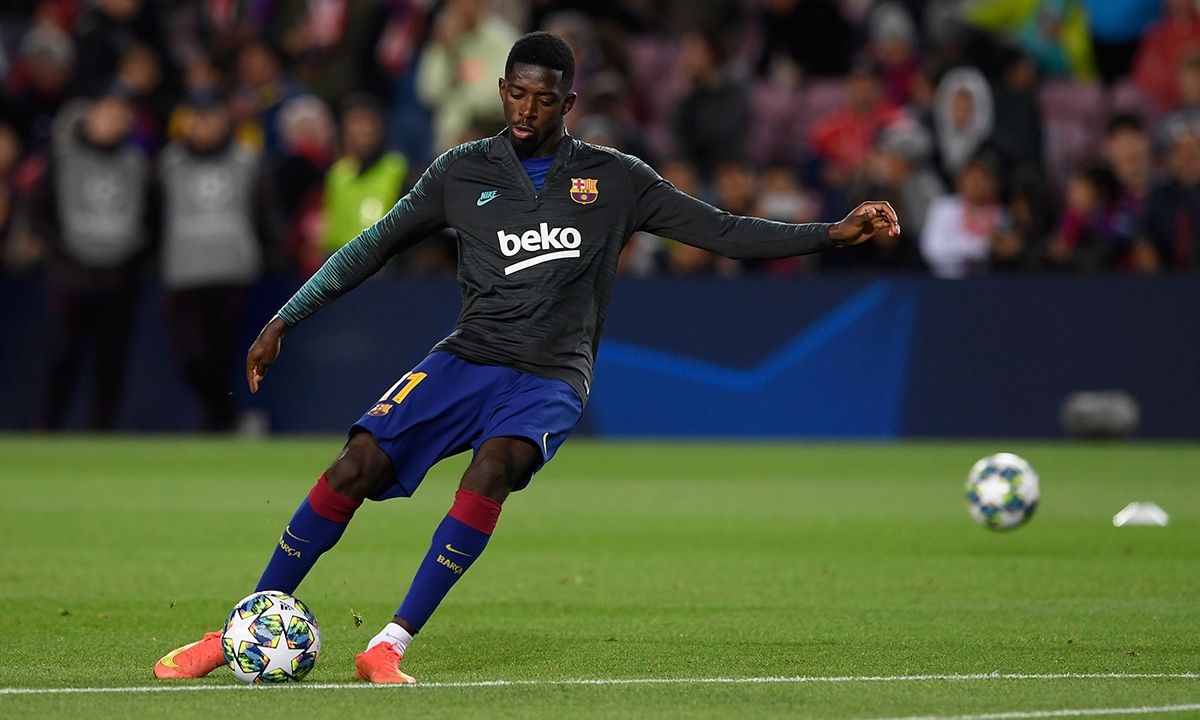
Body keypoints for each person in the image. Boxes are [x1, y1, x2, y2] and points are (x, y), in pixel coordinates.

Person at [151, 32, 899, 684]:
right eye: (516, 95)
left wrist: (832, 233)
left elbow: (726, 230)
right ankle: (235, 631)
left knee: (495, 467)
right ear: (503, 90)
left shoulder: (616, 179)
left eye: (543, 101)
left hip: (548, 377)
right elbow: (370, 247)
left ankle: (388, 643)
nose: (526, 111)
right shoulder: (461, 172)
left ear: (567, 102)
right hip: (466, 358)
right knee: (355, 464)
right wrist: (287, 316)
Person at [34, 84, 150, 430]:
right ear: (92, 114)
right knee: (63, 354)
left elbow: (153, 216)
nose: (115, 120)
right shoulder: (64, 158)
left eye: (122, 114)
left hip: (118, 277)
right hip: (72, 276)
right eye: (109, 111)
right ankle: (47, 427)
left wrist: (134, 254)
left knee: (110, 360)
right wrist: (62, 249)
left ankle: (101, 432)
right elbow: (40, 211)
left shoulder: (138, 163)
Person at [158, 91, 276, 431]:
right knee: (190, 357)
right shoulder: (169, 163)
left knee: (223, 357)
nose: (202, 125)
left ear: (224, 120)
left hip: (231, 272)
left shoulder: (246, 160)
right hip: (183, 272)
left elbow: (264, 211)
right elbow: (154, 213)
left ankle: (218, 422)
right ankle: (225, 418)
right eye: (196, 117)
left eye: (209, 116)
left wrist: (272, 250)